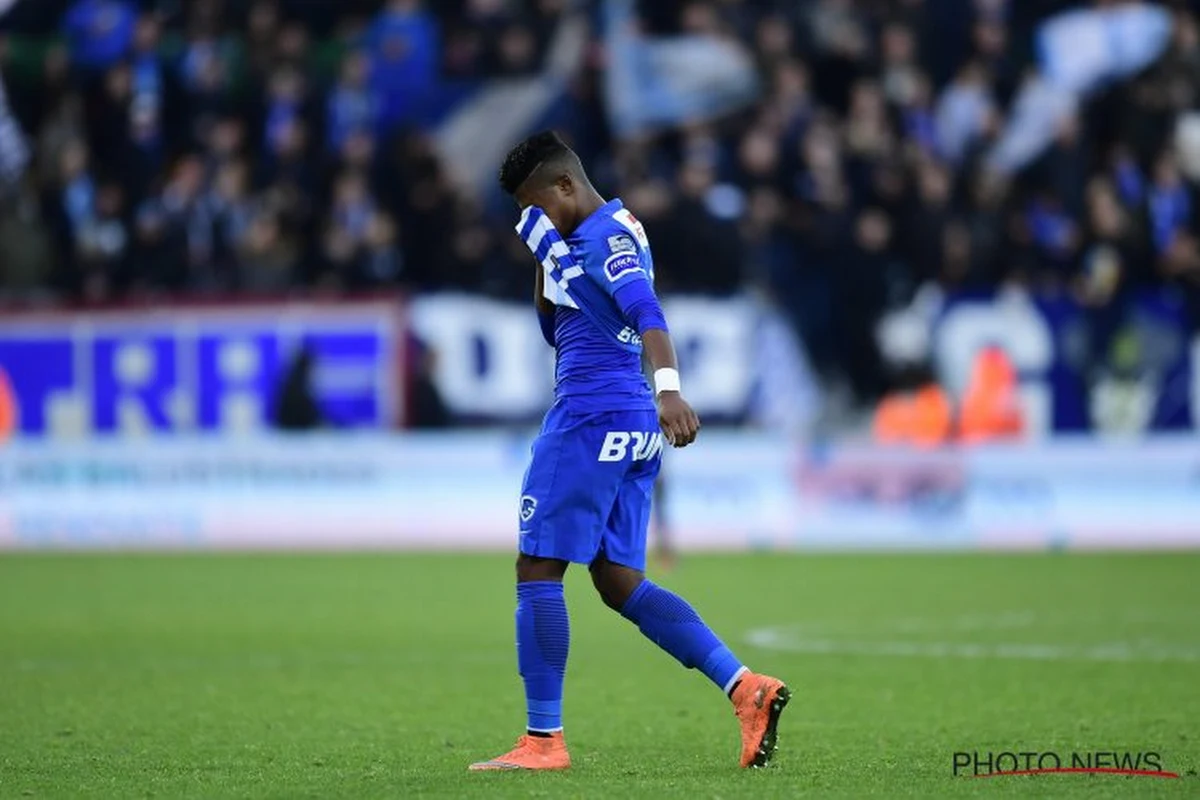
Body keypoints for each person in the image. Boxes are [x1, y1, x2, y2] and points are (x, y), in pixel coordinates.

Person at [469, 131, 789, 773]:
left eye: (539, 203)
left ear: (565, 185)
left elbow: (648, 310)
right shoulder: (606, 228)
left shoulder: (604, 240)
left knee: (536, 568)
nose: (534, 217)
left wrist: (671, 390)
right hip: (629, 420)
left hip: (591, 416)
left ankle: (542, 741)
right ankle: (744, 687)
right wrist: (543, 257)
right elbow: (556, 328)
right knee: (620, 583)